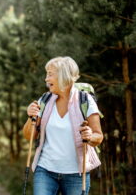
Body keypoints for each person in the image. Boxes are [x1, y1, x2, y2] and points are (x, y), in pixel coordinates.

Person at [23, 56, 103, 195]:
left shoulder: (85, 101)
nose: (46, 79)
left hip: (76, 174)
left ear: (63, 76)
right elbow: (29, 136)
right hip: (45, 170)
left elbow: (98, 136)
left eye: (50, 74)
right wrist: (31, 117)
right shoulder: (45, 100)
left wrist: (90, 136)